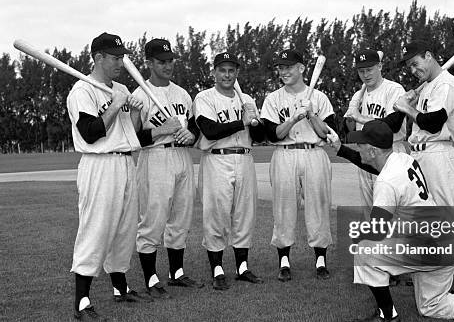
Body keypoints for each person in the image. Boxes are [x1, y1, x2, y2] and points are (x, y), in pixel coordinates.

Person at [328, 120, 454, 322]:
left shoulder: (386, 182)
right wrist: (341, 149)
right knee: (431, 306)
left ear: (372, 151)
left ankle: (387, 315)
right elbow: (375, 167)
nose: (357, 148)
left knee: (364, 249)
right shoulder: (402, 159)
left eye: (360, 145)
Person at [67, 32, 149, 322]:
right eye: (115, 58)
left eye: (121, 57)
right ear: (98, 58)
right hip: (99, 164)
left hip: (126, 161)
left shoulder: (121, 88)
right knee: (96, 229)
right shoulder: (82, 91)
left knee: (125, 229)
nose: (120, 63)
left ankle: (120, 287)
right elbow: (91, 132)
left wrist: (134, 111)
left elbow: (131, 133)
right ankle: (82, 301)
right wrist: (115, 104)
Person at [394, 39, 454, 294]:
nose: (414, 71)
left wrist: (407, 108)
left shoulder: (447, 84)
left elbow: (433, 123)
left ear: (429, 56)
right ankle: (435, 271)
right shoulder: (429, 86)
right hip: (420, 156)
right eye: (410, 68)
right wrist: (411, 102)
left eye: (416, 64)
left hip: (438, 154)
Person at [133, 38, 204, 299]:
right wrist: (161, 130)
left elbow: (195, 126)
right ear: (149, 63)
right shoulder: (140, 94)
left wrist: (191, 135)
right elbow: (132, 138)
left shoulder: (182, 93)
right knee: (153, 218)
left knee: (181, 217)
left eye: (170, 60)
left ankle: (176, 273)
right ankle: (151, 277)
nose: (167, 65)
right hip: (155, 158)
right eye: (161, 61)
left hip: (182, 156)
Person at [260, 49, 336, 282]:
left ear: (302, 69)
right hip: (284, 154)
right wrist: (294, 117)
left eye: (288, 67)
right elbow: (273, 135)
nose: (283, 72)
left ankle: (321, 260)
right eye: (281, 68)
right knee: (283, 207)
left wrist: (312, 114)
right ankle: (284, 260)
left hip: (315, 153)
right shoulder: (273, 99)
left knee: (319, 206)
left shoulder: (320, 98)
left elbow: (328, 134)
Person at [193, 52, 265, 290]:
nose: (227, 74)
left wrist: (256, 122)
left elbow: (260, 137)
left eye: (231, 70)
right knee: (216, 214)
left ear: (237, 73)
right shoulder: (205, 97)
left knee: (245, 213)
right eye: (222, 70)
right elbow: (210, 130)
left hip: (244, 158)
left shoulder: (247, 99)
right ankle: (217, 268)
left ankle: (242, 267)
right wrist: (243, 122)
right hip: (217, 159)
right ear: (214, 72)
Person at [344, 49, 407, 209]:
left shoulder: (394, 89)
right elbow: (349, 129)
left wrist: (359, 117)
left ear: (379, 66)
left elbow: (393, 124)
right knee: (369, 208)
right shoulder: (358, 95)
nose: (366, 75)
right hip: (366, 154)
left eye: (369, 69)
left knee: (394, 207)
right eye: (361, 71)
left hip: (391, 152)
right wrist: (351, 119)